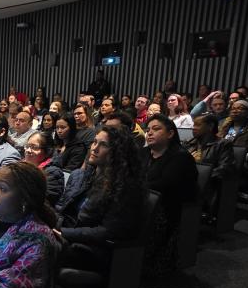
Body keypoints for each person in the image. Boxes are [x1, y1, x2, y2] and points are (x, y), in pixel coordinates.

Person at [58, 127, 145, 272]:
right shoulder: (91, 174)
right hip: (74, 234)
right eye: (94, 142)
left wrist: (64, 233)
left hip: (93, 249)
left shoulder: (126, 185)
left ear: (118, 151)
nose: (94, 148)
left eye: (103, 144)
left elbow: (107, 232)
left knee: (39, 247)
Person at [142, 115, 198, 277]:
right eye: (148, 130)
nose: (150, 133)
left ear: (170, 134)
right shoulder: (144, 152)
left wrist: (132, 187)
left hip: (167, 209)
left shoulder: (180, 157)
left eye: (156, 129)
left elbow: (165, 185)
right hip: (142, 201)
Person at [185, 114, 236, 220]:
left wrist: (200, 176)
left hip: (206, 185)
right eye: (193, 124)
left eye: (198, 125)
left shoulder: (223, 144)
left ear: (210, 126)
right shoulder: (190, 143)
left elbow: (225, 168)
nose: (193, 128)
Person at [23, 132, 64, 206]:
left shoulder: (53, 173)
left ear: (47, 151)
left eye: (34, 147)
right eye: (27, 146)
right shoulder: (21, 166)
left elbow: (45, 202)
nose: (28, 150)